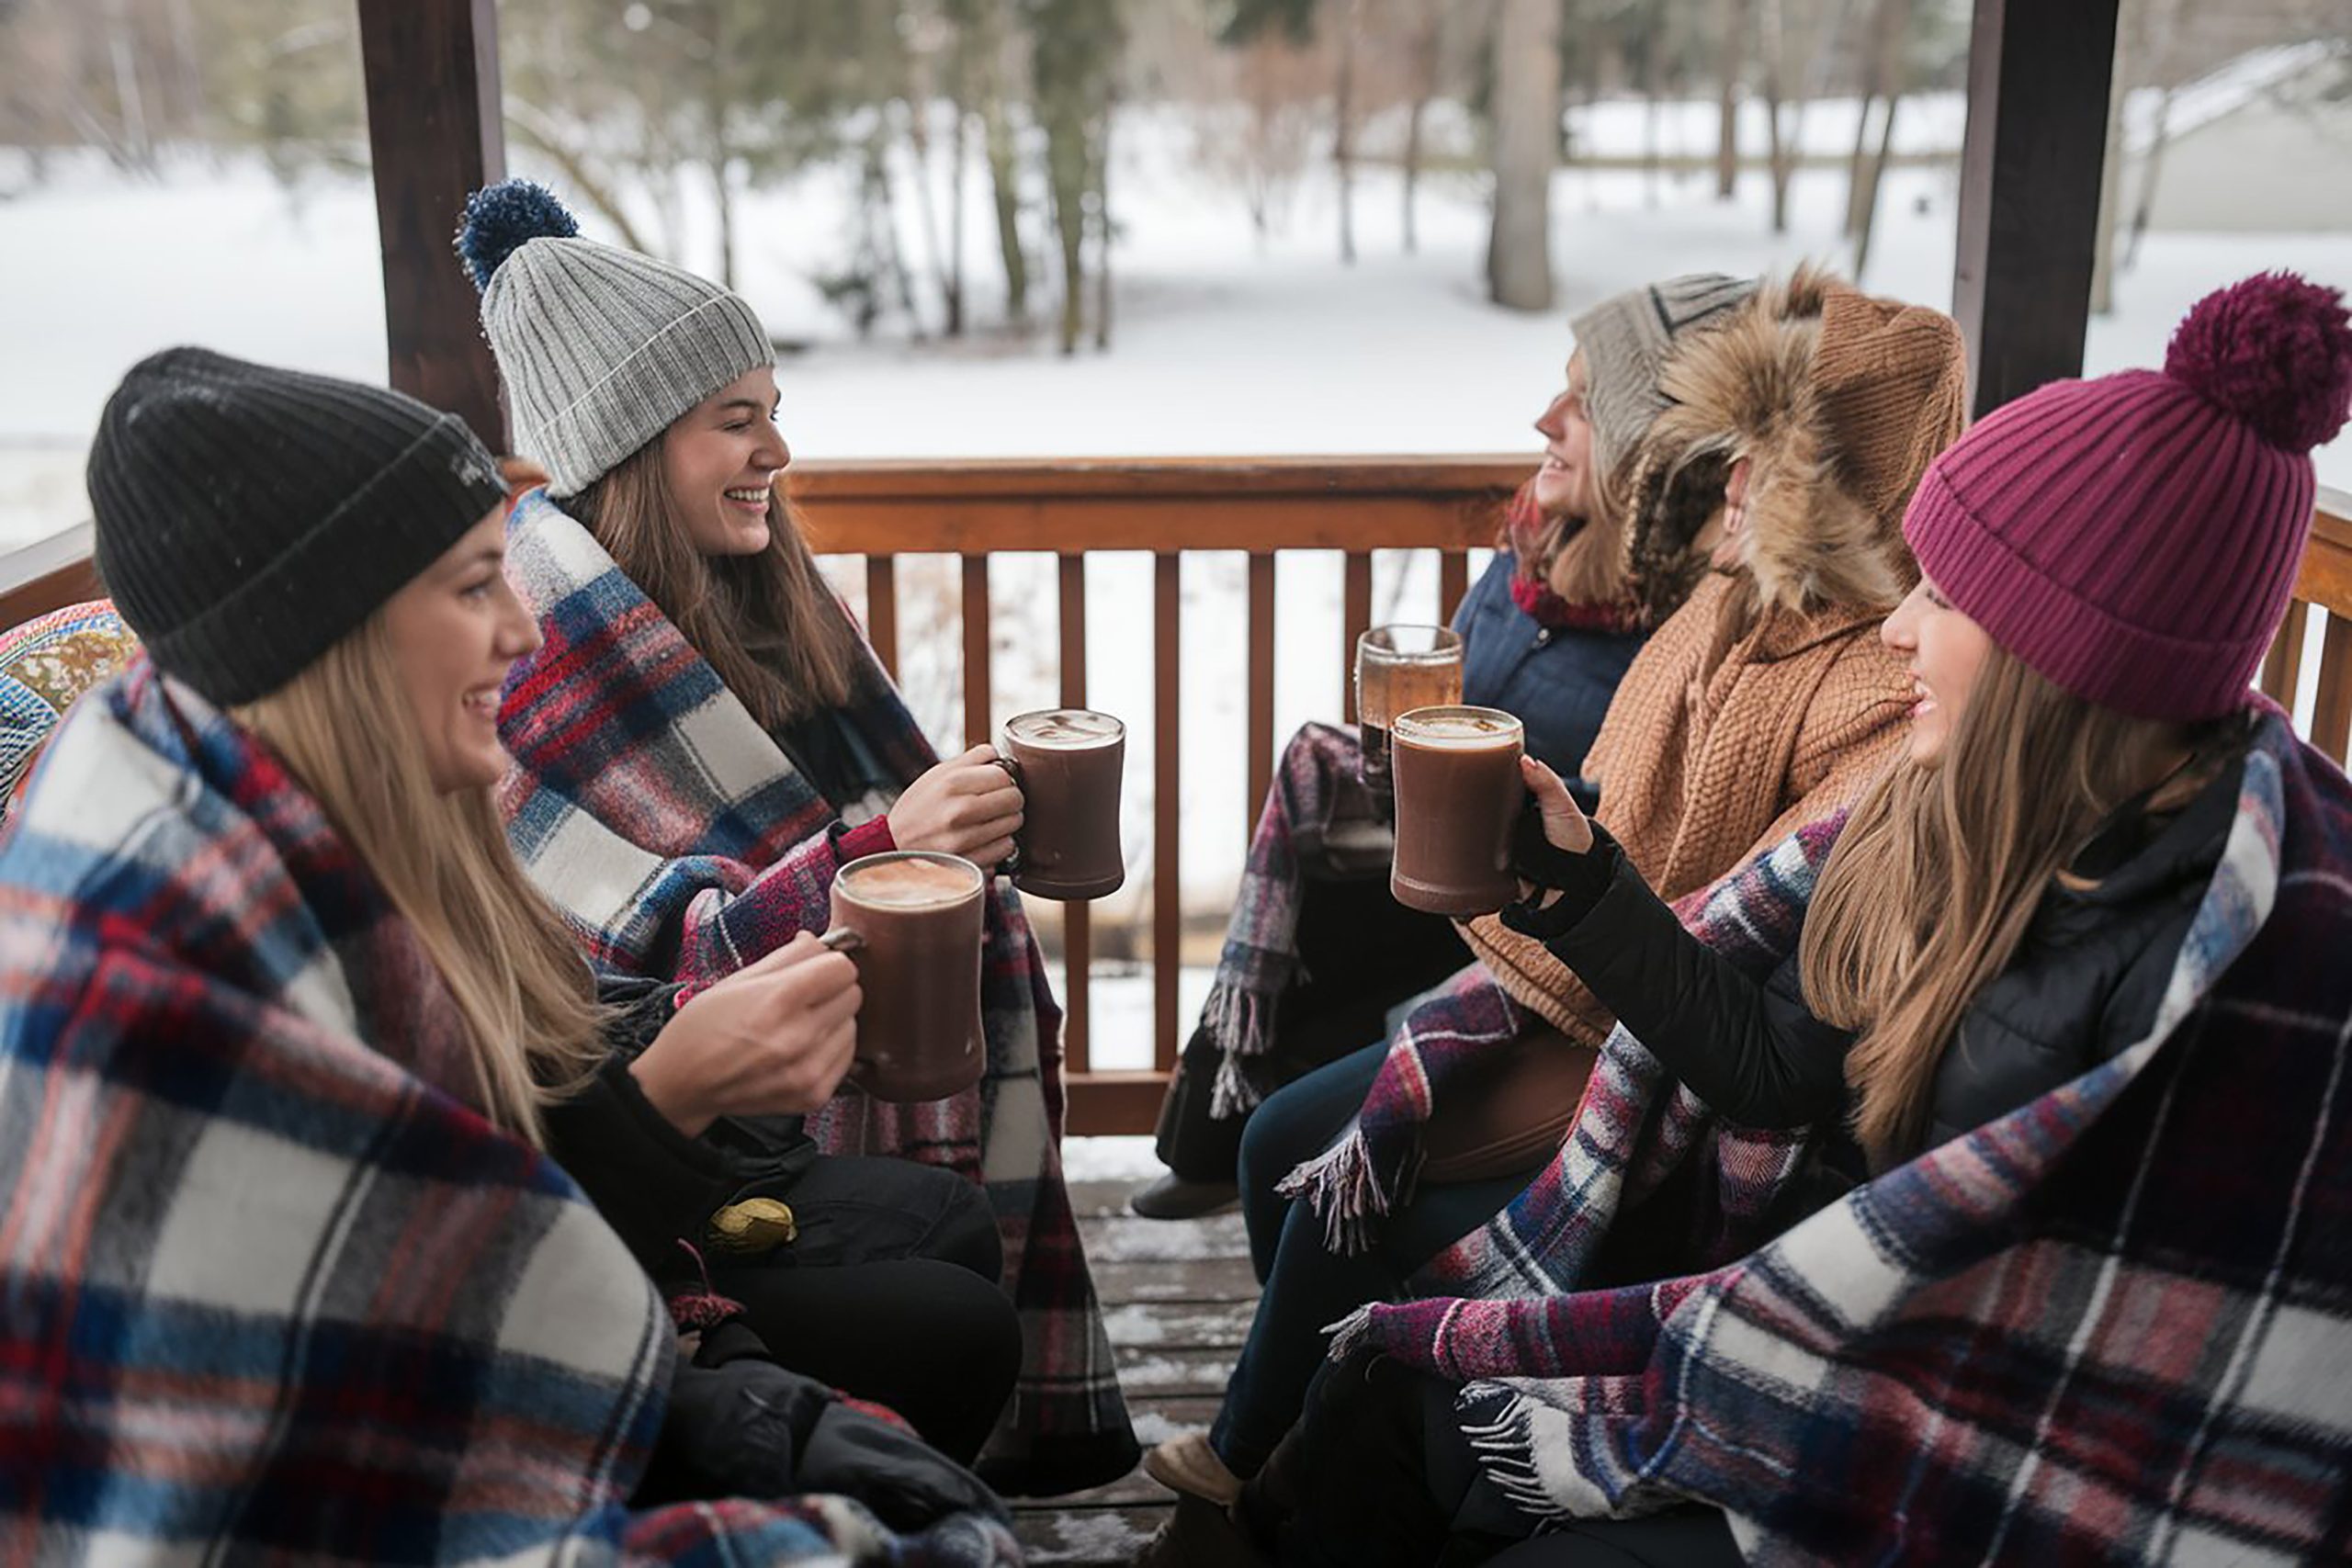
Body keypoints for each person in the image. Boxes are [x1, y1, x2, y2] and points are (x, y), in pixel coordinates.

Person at [1166, 271, 2352, 1566]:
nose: (1906, 622)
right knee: (1378, 1393)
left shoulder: (2234, 959)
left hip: (1935, 1420)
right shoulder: (1942, 812)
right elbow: (1781, 1063)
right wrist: (1575, 882)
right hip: (1828, 1308)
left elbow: (2108, 1362)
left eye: (1947, 597)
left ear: (2056, 660)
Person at [0, 347, 1018, 1563]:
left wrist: (739, 1406)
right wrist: (679, 1093)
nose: (524, 626)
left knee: (944, 1239)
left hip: (585, 1254)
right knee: (941, 1341)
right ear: (340, 630)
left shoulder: (337, 804)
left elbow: (464, 1165)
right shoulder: (174, 949)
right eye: (476, 584)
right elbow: (378, 1370)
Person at [1145, 267, 1971, 1508]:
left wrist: (1560, 876)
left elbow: (1738, 940)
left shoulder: (1878, 696)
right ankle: (1302, 1420)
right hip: (1577, 973)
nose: (1731, 484)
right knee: (1276, 1145)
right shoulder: (1727, 606)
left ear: (1835, 487)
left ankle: (1262, 1459)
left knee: (1323, 1188)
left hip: (1657, 1047)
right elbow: (1625, 802)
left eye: (1765, 458)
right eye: (1734, 453)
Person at [458, 178, 1135, 1495]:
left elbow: (823, 822)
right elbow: (646, 954)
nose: (776, 451)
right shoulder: (533, 644)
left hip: (767, 1108)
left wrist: (952, 825)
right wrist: (889, 843)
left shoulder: (748, 591)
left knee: (947, 1246)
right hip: (651, 1131)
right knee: (945, 1293)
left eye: (776, 413)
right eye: (736, 419)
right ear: (636, 441)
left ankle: (888, 1484)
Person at [1135, 273, 1758, 1220]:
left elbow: (1635, 828)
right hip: (1435, 875)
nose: (1545, 419)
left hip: (1528, 930)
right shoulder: (1538, 551)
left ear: (1656, 442)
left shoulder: (1686, 626)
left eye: (1585, 403)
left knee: (1334, 910)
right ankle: (1213, 1132)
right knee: (1315, 799)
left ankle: (1246, 1140)